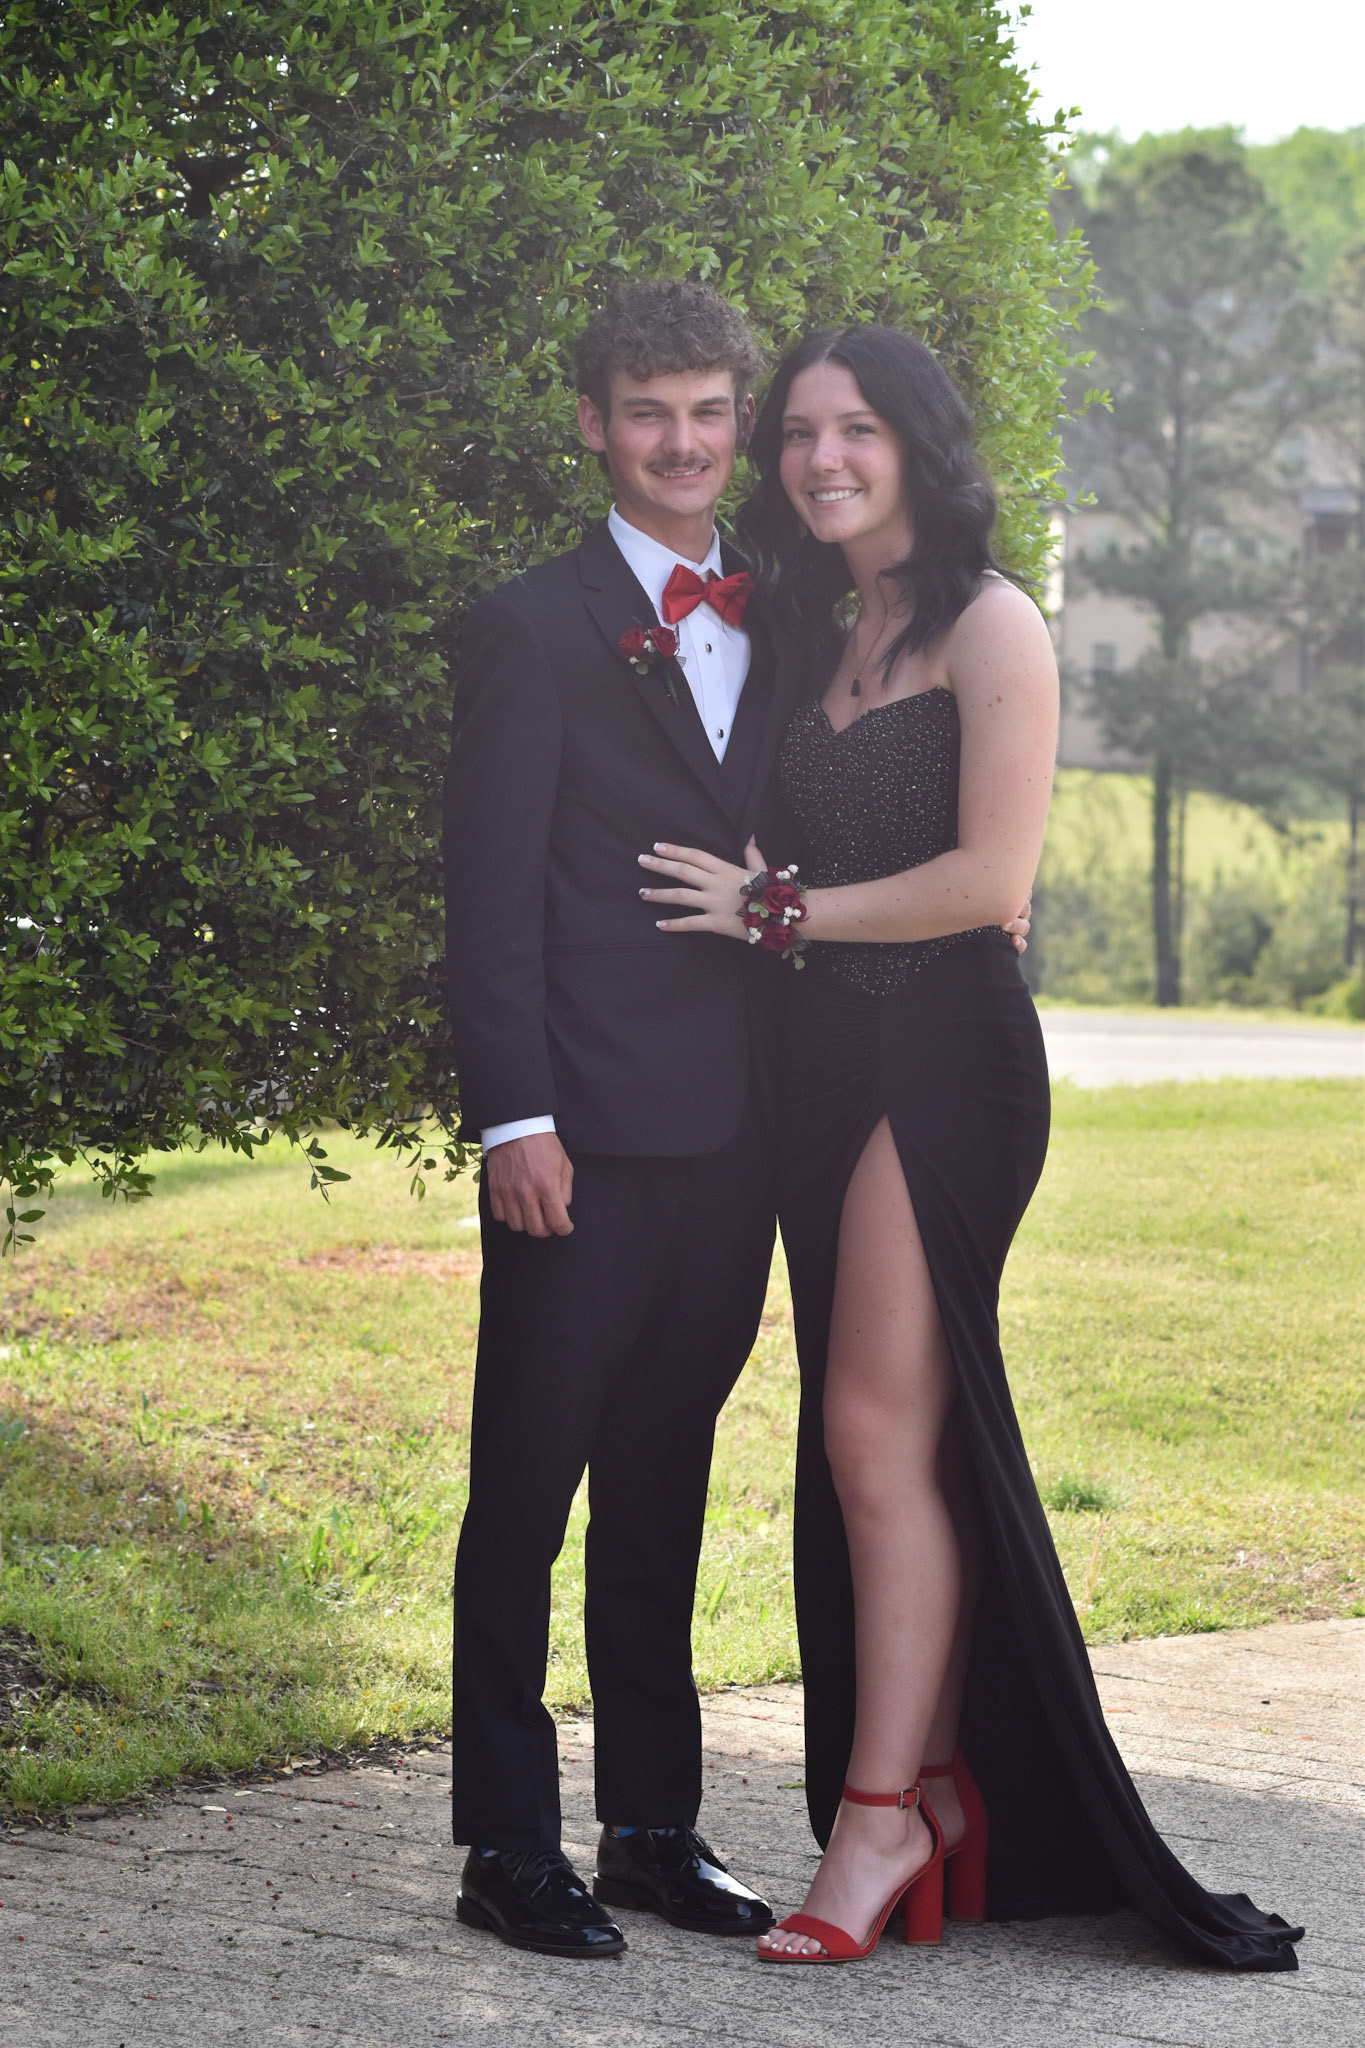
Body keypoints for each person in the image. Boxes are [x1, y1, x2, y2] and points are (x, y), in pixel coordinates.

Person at [638, 324, 1304, 1971]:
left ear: (918, 447)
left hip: (943, 1055)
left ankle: (881, 1818)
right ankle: (930, 1787)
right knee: (880, 1441)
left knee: (872, 1435)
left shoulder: (993, 624)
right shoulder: (813, 625)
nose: (821, 459)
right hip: (819, 1063)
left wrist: (774, 912)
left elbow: (987, 882)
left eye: (856, 429)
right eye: (800, 433)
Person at [442, 278, 792, 1959]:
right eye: (647, 411)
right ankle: (506, 1844)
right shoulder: (528, 629)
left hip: (739, 1136)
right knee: (526, 1488)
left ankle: (652, 1826)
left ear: (740, 424)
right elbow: (489, 901)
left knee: (666, 1476)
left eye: (707, 411)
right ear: (593, 425)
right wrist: (513, 1118)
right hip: (575, 1137)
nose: (679, 441)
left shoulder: (788, 614)